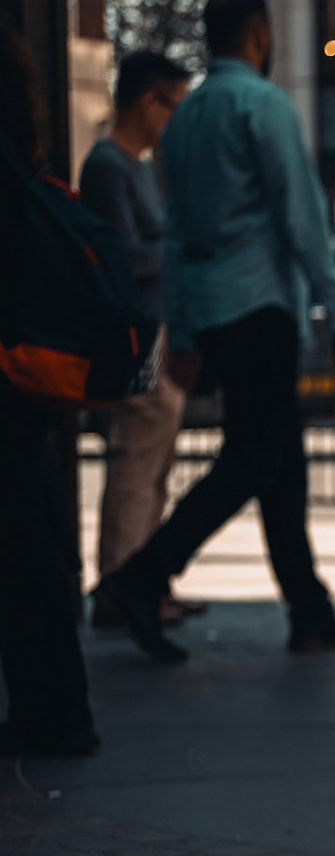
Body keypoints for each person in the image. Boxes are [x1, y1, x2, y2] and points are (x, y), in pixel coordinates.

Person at [94, 0, 335, 663]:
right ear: (260, 33)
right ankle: (140, 577)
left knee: (281, 459)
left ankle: (308, 608)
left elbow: (179, 233)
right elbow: (303, 220)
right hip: (260, 306)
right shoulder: (263, 105)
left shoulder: (185, 118)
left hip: (213, 316)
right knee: (253, 456)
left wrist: (185, 333)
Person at [0, 18, 99, 755]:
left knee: (23, 543)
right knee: (28, 537)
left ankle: (55, 713)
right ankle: (56, 709)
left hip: (8, 370)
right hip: (20, 375)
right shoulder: (19, 154)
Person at [79, 50, 204, 630]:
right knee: (136, 463)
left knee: (151, 466)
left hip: (154, 332)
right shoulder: (109, 165)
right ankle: (120, 587)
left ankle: (143, 584)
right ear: (148, 101)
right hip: (136, 336)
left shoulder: (135, 165)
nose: (175, 121)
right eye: (173, 107)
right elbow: (120, 258)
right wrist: (179, 251)